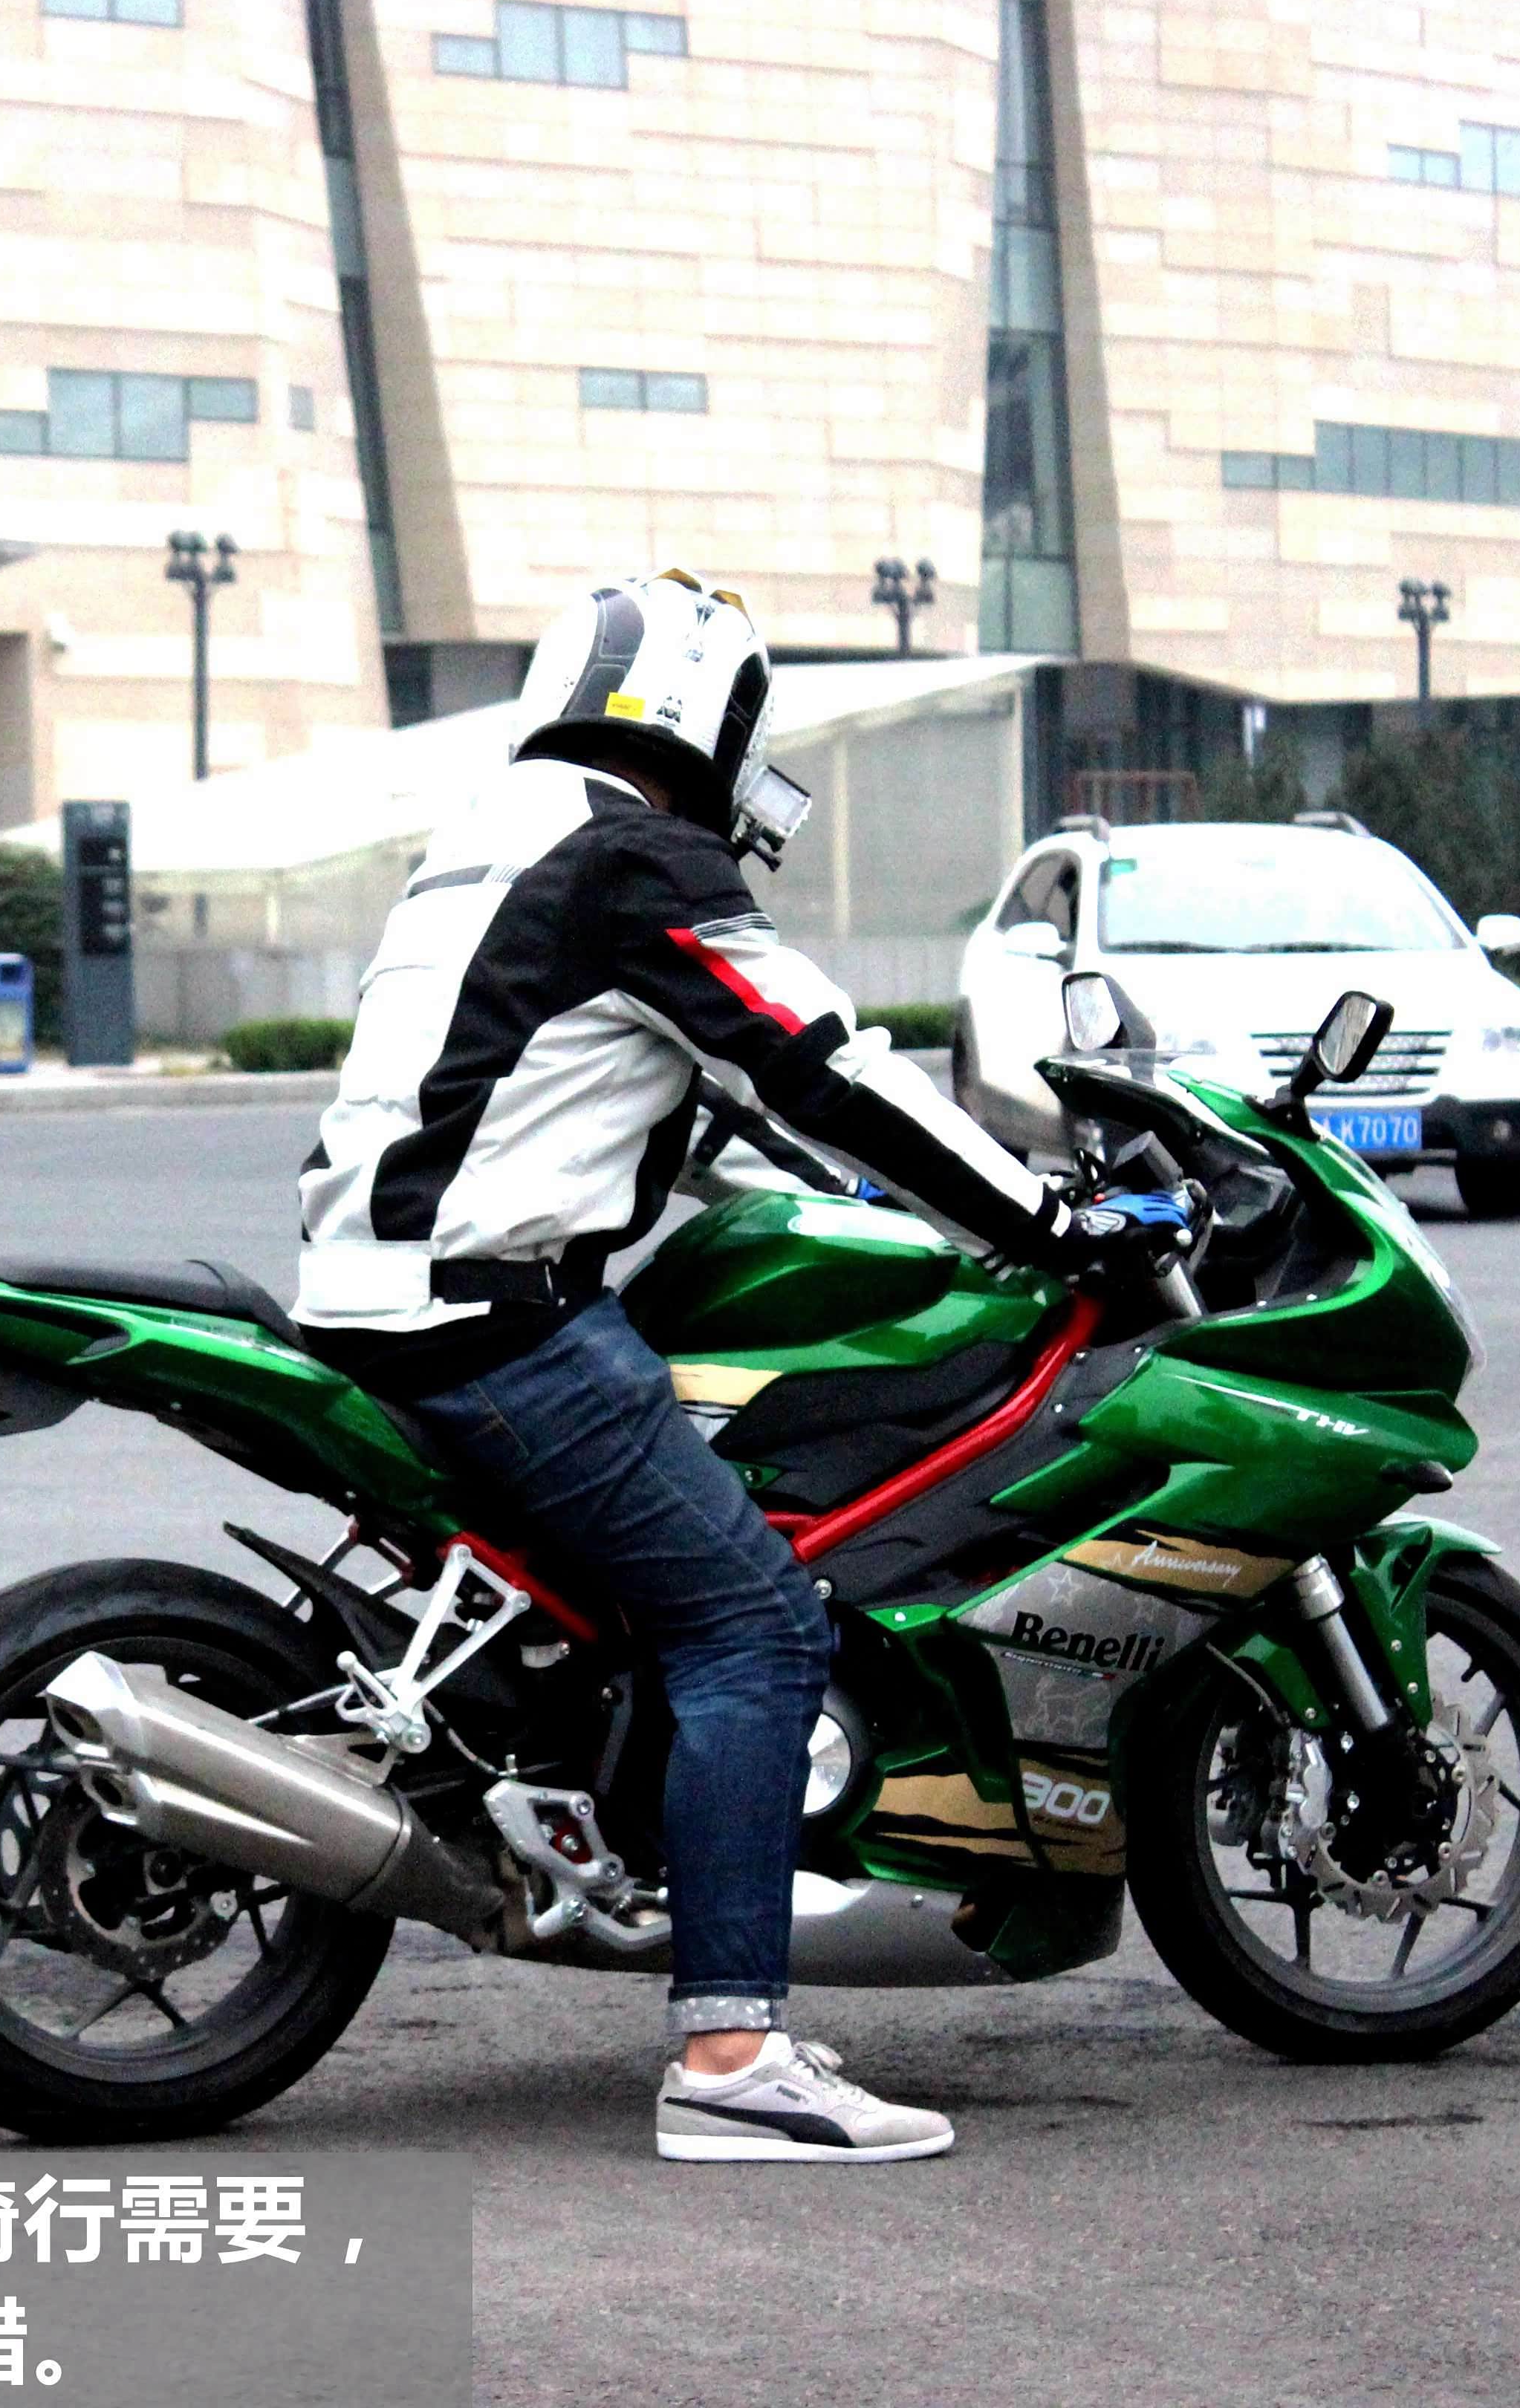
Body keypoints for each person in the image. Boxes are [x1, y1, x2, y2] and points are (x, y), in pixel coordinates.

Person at [292, 567, 1178, 2164]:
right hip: (496, 1323)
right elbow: (822, 1066)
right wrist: (1051, 1222)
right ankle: (730, 2056)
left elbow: (682, 1099)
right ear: (697, 714)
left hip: (379, 1295)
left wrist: (874, 1199)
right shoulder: (640, 857)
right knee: (758, 1625)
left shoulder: (501, 838)